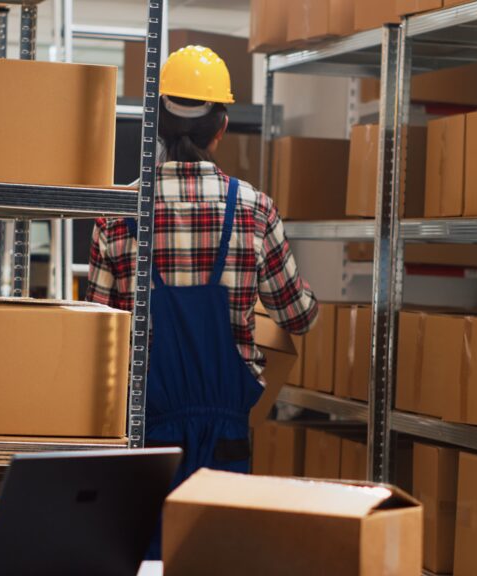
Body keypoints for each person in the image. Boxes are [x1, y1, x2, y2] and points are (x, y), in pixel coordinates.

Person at [87, 45, 318, 489]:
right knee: (212, 552)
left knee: (145, 553)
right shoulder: (255, 209)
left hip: (144, 433)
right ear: (221, 128)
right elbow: (298, 317)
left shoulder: (117, 212)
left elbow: (99, 336)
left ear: (156, 124)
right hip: (226, 434)